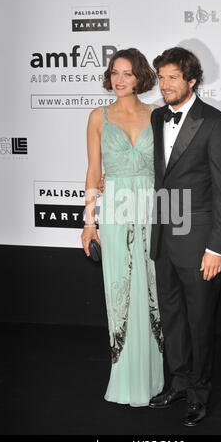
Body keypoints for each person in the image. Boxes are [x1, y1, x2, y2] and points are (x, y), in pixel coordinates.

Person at [148, 47, 221, 426]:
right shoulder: (156, 117)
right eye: (161, 77)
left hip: (200, 241)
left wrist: (217, 246)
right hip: (164, 236)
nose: (164, 85)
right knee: (172, 318)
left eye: (172, 78)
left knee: (200, 321)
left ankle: (199, 392)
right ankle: (180, 381)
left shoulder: (216, 123)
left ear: (192, 80)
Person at [81, 48, 164, 407]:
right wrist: (89, 222)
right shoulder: (98, 117)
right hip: (115, 207)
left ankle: (156, 376)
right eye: (115, 72)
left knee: (155, 291)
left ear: (140, 77)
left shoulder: (159, 116)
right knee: (120, 292)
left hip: (152, 207)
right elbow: (92, 171)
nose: (119, 79)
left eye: (127, 73)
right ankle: (125, 378)